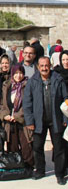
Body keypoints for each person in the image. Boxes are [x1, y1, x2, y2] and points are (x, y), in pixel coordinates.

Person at [23, 57, 67, 185]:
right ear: (38, 67)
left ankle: (60, 173)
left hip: (56, 120)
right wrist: (30, 121)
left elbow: (66, 99)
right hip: (38, 121)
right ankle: (40, 170)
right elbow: (27, 103)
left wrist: (65, 118)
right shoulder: (32, 81)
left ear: (50, 65)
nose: (44, 68)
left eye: (46, 65)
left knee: (59, 148)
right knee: (37, 147)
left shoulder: (58, 79)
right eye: (41, 66)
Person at [0, 64, 34, 168]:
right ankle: (15, 166)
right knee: (12, 146)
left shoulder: (28, 85)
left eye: (21, 73)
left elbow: (29, 104)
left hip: (23, 121)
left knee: (26, 146)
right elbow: (2, 104)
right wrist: (4, 115)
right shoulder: (7, 86)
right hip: (9, 121)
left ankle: (29, 167)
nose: (18, 76)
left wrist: (17, 116)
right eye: (16, 73)